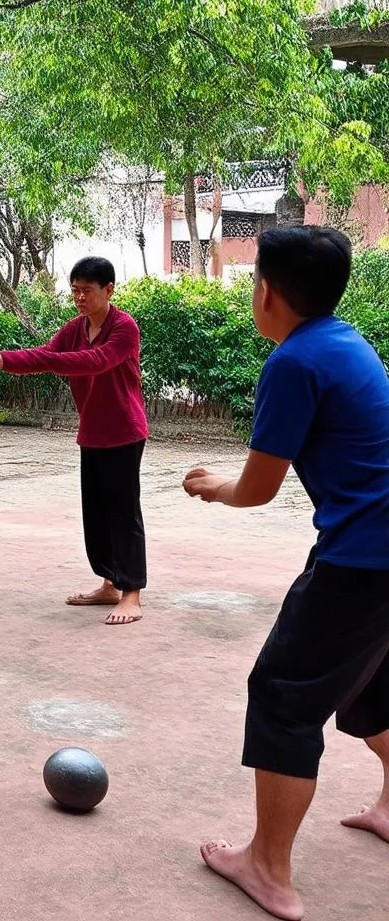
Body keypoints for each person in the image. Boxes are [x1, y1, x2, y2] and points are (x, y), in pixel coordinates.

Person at [183, 226, 389, 921]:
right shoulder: (347, 341)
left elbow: (258, 488)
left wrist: (215, 486)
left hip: (363, 560)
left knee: (282, 695)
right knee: (372, 689)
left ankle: (268, 869)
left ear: (266, 292)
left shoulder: (295, 362)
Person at [0, 256, 149, 625]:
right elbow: (47, 356)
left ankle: (132, 592)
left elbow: (95, 361)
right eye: (75, 291)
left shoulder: (124, 327)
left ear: (108, 290)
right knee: (95, 514)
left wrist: (11, 360)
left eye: (87, 291)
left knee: (122, 513)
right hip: (92, 433)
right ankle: (110, 582)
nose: (79, 298)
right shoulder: (75, 328)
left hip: (124, 433)